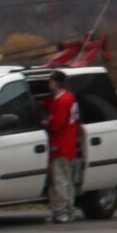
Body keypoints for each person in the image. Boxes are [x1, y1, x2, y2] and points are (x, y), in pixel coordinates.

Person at [44, 71, 81, 224]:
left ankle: (61, 212)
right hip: (69, 145)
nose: (49, 84)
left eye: (50, 81)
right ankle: (68, 210)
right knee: (67, 179)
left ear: (56, 83)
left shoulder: (62, 102)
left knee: (59, 181)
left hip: (60, 146)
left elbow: (57, 124)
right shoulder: (69, 98)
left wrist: (45, 123)